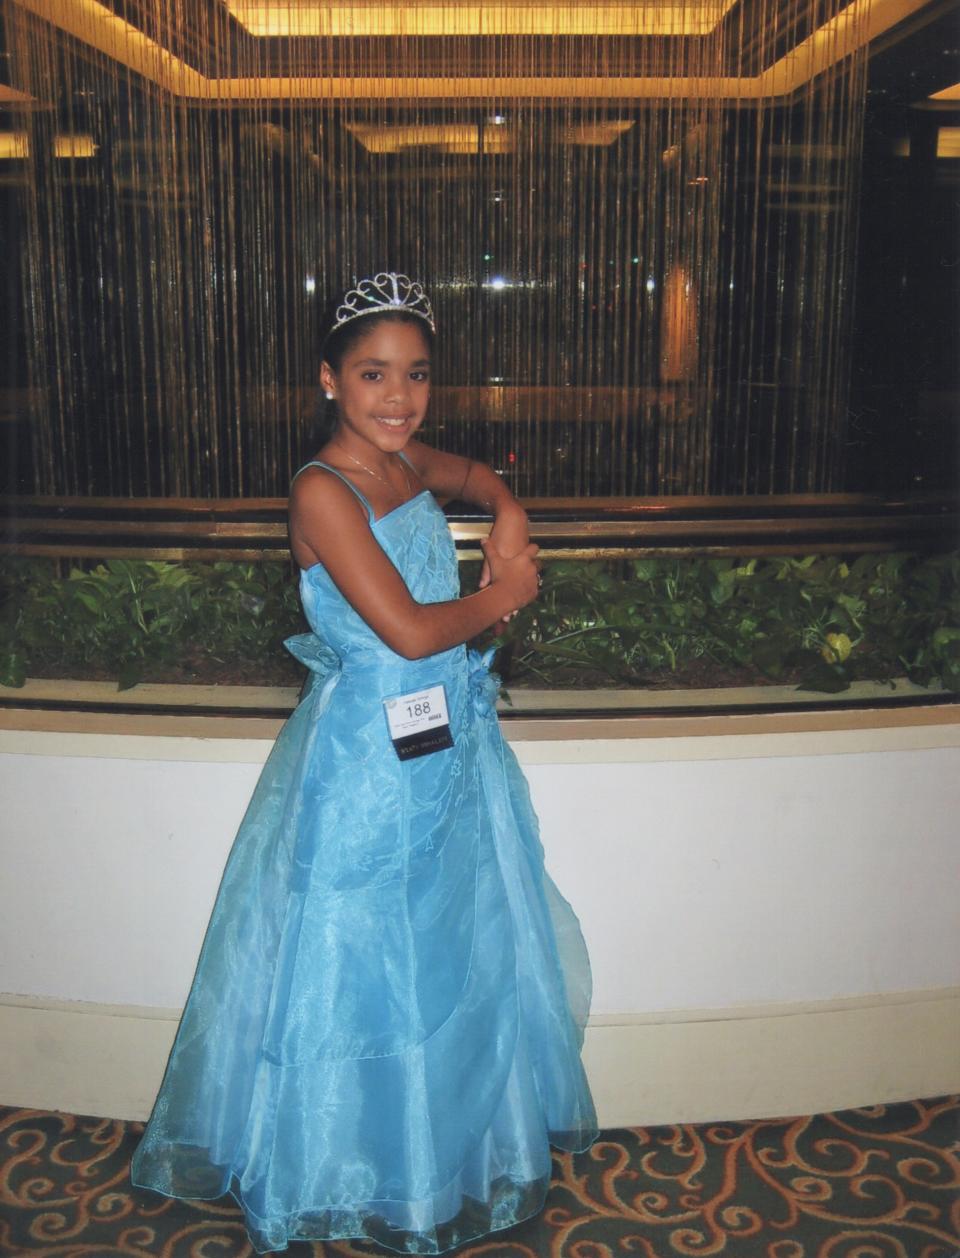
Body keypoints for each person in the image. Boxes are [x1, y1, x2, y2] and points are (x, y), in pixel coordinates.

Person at [130, 272, 598, 1254]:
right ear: (330, 380)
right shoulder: (322, 486)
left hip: (441, 752)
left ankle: (436, 1154)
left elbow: (468, 472)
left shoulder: (403, 459)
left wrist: (505, 499)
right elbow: (415, 632)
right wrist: (506, 590)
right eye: (375, 374)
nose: (399, 396)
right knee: (363, 966)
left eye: (417, 374)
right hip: (366, 773)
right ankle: (348, 1161)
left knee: (444, 959)